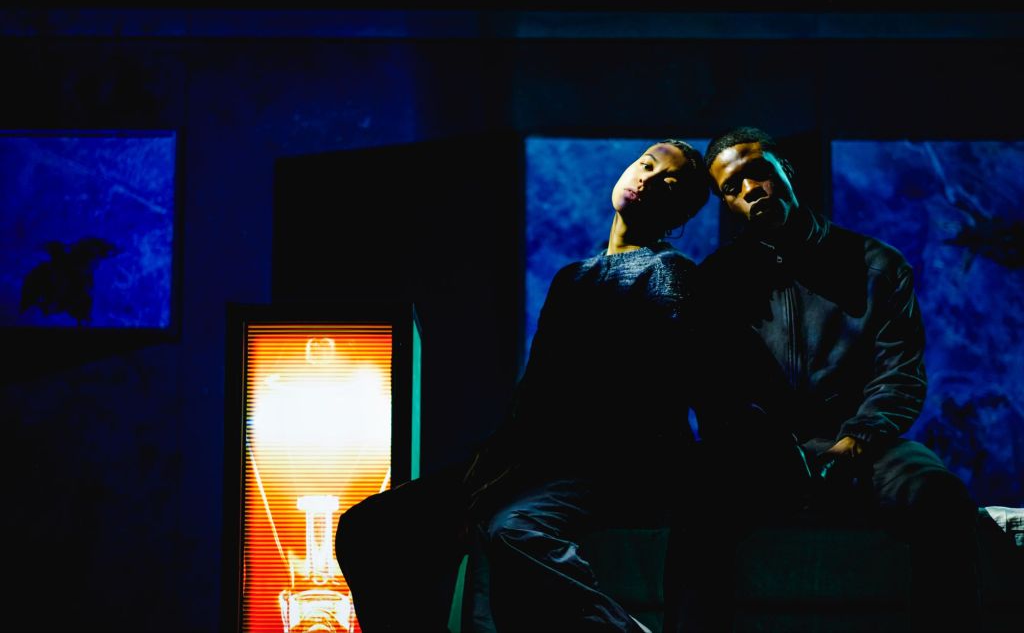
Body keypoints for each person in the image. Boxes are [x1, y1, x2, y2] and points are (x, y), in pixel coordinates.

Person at [336, 139, 712, 632]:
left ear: (679, 212)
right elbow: (534, 394)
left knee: (513, 530)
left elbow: (672, 382)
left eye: (669, 181)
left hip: (612, 464)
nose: (648, 178)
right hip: (528, 460)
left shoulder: (669, 272)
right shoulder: (571, 278)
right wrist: (488, 472)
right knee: (366, 528)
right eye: (646, 164)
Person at [663, 127, 981, 632]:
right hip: (759, 456)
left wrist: (856, 440)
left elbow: (899, 373)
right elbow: (716, 391)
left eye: (758, 173)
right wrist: (765, 448)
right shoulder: (718, 280)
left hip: (865, 447)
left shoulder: (877, 265)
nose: (750, 190)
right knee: (697, 505)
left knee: (938, 496)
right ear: (725, 203)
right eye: (731, 188)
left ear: (786, 171)